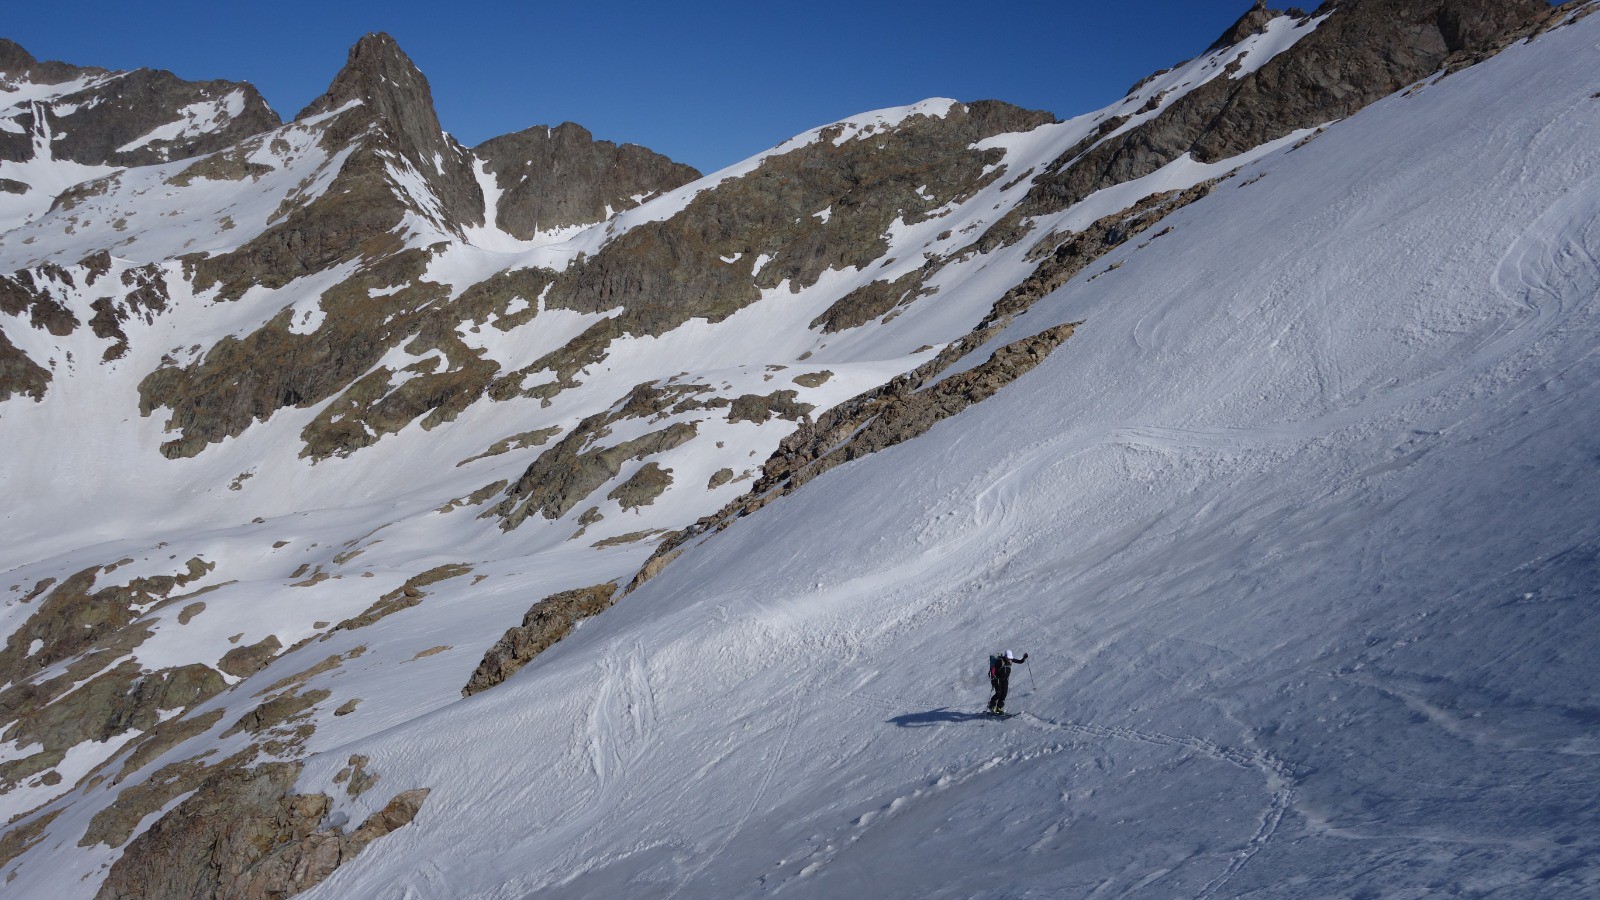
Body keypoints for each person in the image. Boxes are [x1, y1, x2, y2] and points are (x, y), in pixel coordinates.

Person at [987, 650, 1028, 714]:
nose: (1009, 659)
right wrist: (993, 680)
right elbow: (993, 670)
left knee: (1004, 694)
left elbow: (1020, 661)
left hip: (1005, 680)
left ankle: (999, 708)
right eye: (1008, 658)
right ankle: (991, 705)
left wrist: (1024, 658)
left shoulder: (1011, 660)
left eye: (1010, 658)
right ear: (1005, 656)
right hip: (998, 679)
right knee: (998, 693)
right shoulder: (1000, 661)